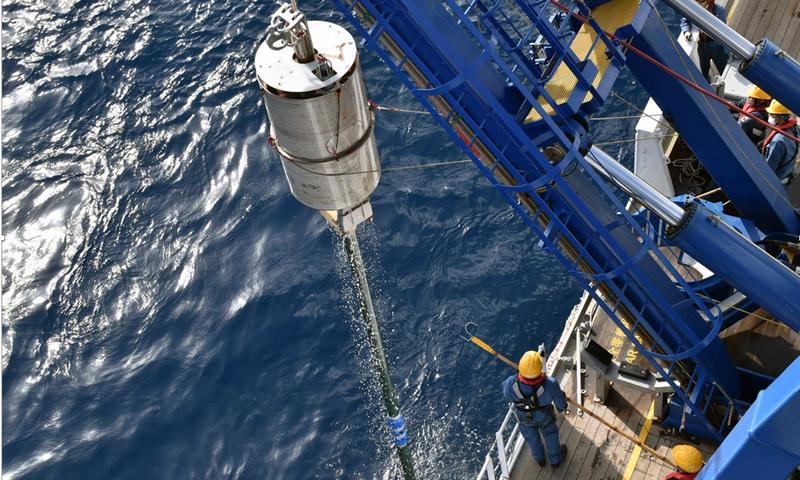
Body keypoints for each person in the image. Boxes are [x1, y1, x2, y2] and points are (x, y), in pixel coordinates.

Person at [502, 351, 567, 468]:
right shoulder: (550, 384)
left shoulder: (511, 383)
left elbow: (506, 395)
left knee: (531, 438)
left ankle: (540, 459)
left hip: (524, 417)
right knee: (551, 434)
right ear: (539, 368)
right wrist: (562, 407)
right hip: (544, 416)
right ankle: (555, 460)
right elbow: (561, 405)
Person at [681, 0, 729, 81]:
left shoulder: (720, 10)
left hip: (716, 45)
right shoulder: (693, 9)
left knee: (722, 68)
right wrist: (686, 32)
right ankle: (708, 87)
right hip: (702, 45)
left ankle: (726, 85)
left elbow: (723, 30)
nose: (699, 4)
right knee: (704, 70)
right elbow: (684, 21)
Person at [760, 100, 799, 185]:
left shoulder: (778, 142)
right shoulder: (794, 128)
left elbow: (769, 170)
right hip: (787, 172)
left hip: (776, 181)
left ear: (782, 118)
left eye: (772, 115)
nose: (769, 116)